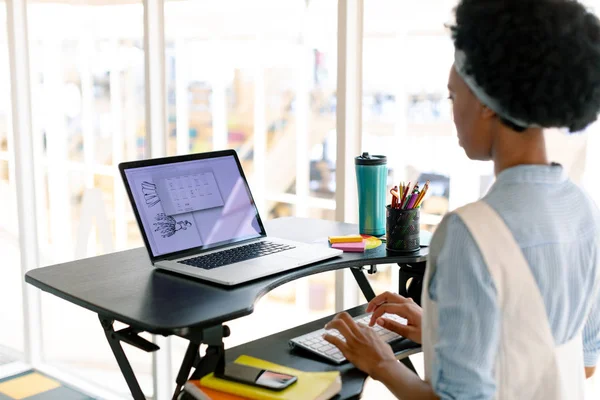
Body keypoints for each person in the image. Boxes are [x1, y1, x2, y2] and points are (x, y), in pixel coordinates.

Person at [323, 0, 600, 398]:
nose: (452, 113)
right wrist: (444, 331)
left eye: (453, 97)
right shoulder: (584, 210)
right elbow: (579, 362)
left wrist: (380, 362)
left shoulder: (469, 233)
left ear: (485, 102)